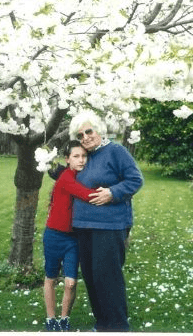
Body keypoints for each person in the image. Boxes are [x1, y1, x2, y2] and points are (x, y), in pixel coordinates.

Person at [69, 111, 144, 332]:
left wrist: (112, 193)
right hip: (83, 225)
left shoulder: (116, 151)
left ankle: (118, 326)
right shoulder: (83, 156)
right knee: (91, 277)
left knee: (108, 277)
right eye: (80, 135)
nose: (85, 137)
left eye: (88, 131)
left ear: (99, 129)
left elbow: (135, 179)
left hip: (110, 225)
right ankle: (102, 324)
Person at [41, 141, 107, 332]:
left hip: (73, 238)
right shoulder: (66, 178)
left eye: (84, 156)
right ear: (67, 159)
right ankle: (51, 319)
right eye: (76, 156)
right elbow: (86, 195)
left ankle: (65, 319)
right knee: (51, 278)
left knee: (71, 283)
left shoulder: (83, 176)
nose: (81, 160)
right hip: (54, 235)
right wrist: (110, 195)